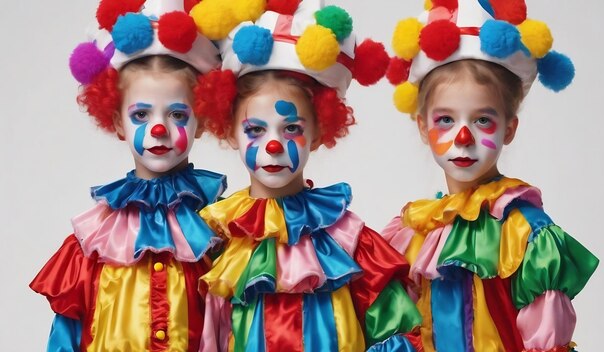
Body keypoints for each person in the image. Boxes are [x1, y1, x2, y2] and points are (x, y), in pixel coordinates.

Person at [193, 0, 423, 351]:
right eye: (255, 129)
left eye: (292, 129)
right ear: (230, 130)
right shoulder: (215, 235)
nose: (273, 146)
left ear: (317, 132)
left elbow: (396, 330)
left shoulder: (347, 238)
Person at [383, 0, 599, 351]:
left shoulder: (524, 232)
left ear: (509, 128)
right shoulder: (413, 232)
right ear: (423, 127)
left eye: (482, 119)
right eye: (446, 120)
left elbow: (547, 340)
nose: (463, 138)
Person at [29, 0, 231, 350]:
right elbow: (66, 337)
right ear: (118, 122)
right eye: (141, 115)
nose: (158, 129)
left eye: (177, 115)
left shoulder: (224, 227)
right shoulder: (93, 239)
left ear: (201, 120)